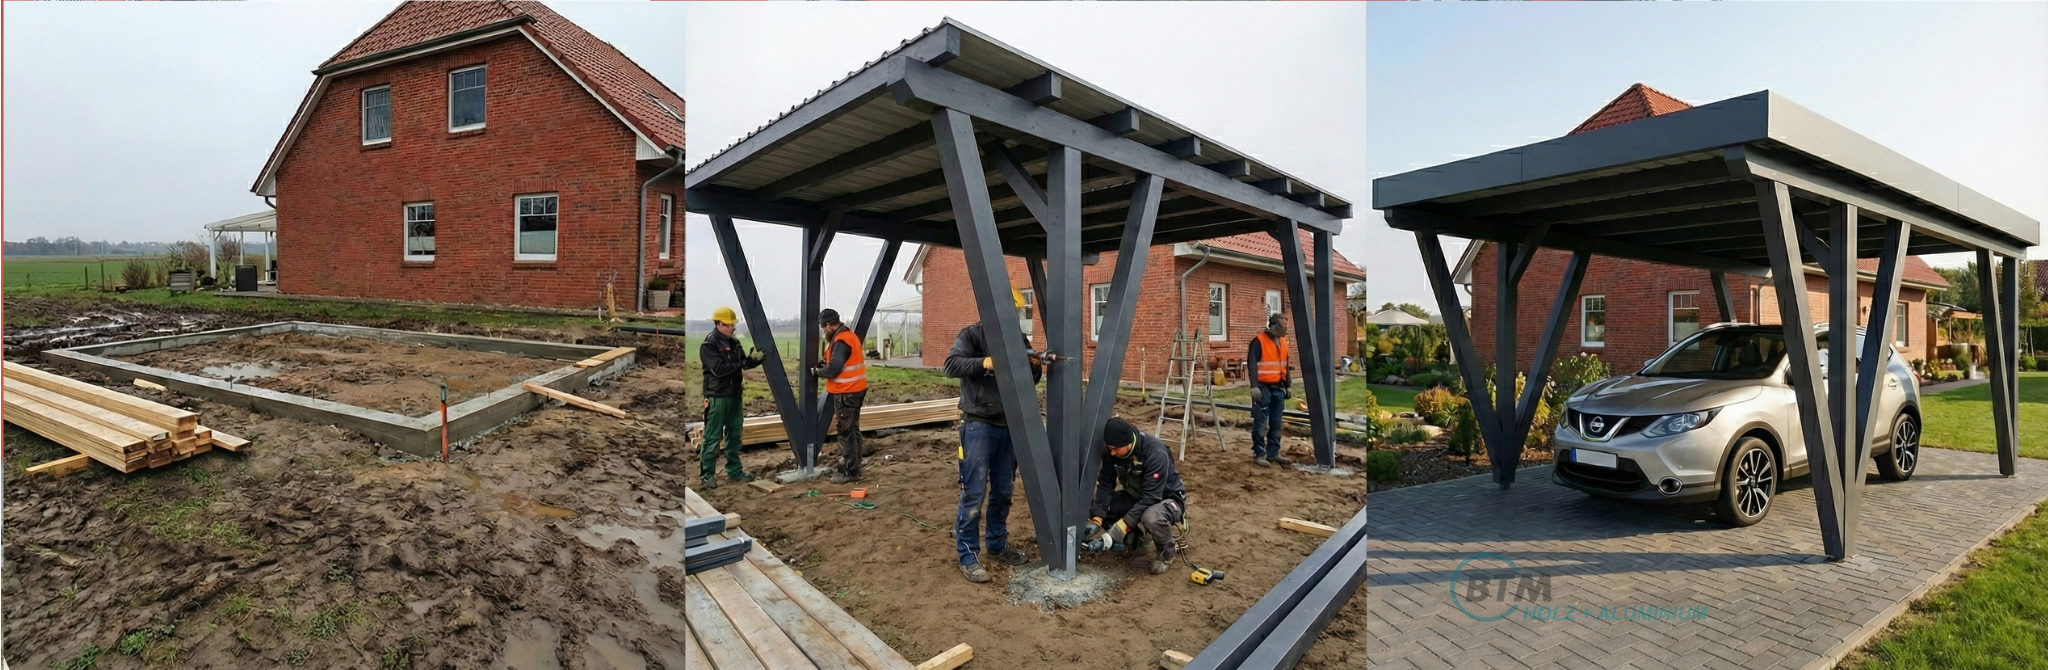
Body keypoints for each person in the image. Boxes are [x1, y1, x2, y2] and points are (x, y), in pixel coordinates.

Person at [942, 289, 1043, 583]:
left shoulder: (1018, 340)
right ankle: (968, 555)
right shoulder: (971, 336)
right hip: (977, 425)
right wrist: (984, 362)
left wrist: (1034, 368)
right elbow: (950, 365)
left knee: (1003, 490)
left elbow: (1028, 379)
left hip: (1008, 425)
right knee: (974, 491)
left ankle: (997, 545)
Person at [1085, 417, 1187, 575]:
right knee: (1100, 507)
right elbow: (1106, 484)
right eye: (1110, 448)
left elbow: (1150, 499)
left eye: (1115, 449)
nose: (1112, 452)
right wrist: (1097, 518)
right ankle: (1134, 541)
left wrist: (1117, 530)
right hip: (1136, 496)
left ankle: (1165, 555)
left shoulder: (1155, 453)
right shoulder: (1112, 453)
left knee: (1151, 517)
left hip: (1164, 500)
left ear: (1128, 442)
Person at [699, 306, 764, 488]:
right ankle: (707, 476)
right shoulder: (709, 345)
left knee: (735, 436)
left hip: (735, 395)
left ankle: (734, 471)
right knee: (712, 438)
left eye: (733, 325)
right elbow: (718, 370)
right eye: (729, 325)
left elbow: (741, 363)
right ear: (718, 324)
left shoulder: (734, 343)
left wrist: (752, 361)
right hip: (717, 397)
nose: (733, 328)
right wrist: (742, 363)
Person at [810, 309, 868, 485]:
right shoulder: (848, 335)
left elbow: (834, 369)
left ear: (828, 325)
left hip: (846, 392)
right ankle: (855, 464)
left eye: (823, 328)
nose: (823, 332)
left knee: (845, 432)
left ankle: (851, 472)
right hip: (856, 389)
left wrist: (816, 372)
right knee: (853, 429)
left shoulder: (841, 341)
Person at [1247, 313, 1296, 467]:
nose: (1286, 329)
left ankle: (1273, 452)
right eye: (1284, 325)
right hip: (1262, 387)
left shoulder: (1283, 342)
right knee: (1261, 422)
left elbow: (1285, 365)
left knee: (1276, 423)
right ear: (1274, 325)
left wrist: (1288, 384)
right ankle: (1259, 453)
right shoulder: (1258, 341)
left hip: (1278, 388)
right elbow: (1252, 364)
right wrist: (1254, 386)